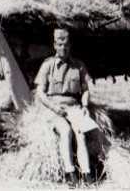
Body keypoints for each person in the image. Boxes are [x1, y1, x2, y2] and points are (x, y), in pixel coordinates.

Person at [34, 28, 94, 187]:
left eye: (66, 44)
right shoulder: (48, 65)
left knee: (81, 135)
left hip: (74, 108)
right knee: (65, 131)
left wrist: (85, 105)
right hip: (53, 109)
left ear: (70, 45)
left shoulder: (78, 66)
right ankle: (70, 173)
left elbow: (86, 89)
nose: (63, 48)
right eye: (60, 44)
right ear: (55, 45)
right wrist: (54, 108)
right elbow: (40, 93)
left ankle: (87, 174)